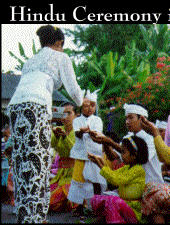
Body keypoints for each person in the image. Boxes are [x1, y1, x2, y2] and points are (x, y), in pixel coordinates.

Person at [7, 25, 85, 223]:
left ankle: (25, 215)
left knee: (22, 162)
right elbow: (73, 88)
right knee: (38, 162)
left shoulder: (30, 60)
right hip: (36, 106)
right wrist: (83, 104)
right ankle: (35, 218)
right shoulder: (61, 56)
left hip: (15, 107)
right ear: (59, 43)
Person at [95, 103, 164, 185]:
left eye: (131, 118)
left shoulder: (150, 138)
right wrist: (105, 142)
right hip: (134, 187)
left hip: (152, 186)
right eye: (126, 118)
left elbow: (138, 156)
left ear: (142, 119)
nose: (127, 122)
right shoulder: (128, 137)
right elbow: (113, 157)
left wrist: (110, 142)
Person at [88, 134, 149, 223]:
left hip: (135, 212)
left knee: (113, 201)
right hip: (124, 207)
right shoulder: (127, 167)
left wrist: (100, 165)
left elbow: (116, 180)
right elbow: (113, 175)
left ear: (134, 155)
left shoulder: (138, 170)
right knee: (101, 199)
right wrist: (100, 162)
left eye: (123, 152)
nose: (121, 155)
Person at [67, 90, 107, 217]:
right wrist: (82, 132)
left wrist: (89, 131)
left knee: (95, 181)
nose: (90, 108)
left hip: (94, 155)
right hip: (80, 155)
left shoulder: (98, 120)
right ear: (81, 107)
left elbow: (97, 132)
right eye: (87, 105)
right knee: (79, 181)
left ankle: (96, 206)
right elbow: (77, 134)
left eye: (93, 105)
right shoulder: (77, 121)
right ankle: (79, 206)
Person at [49, 102, 78, 212]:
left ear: (76, 115)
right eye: (62, 114)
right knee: (43, 197)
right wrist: (56, 136)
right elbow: (51, 145)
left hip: (74, 174)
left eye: (69, 113)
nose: (65, 117)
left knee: (51, 203)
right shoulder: (57, 129)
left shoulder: (79, 131)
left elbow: (75, 151)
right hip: (60, 174)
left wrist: (65, 138)